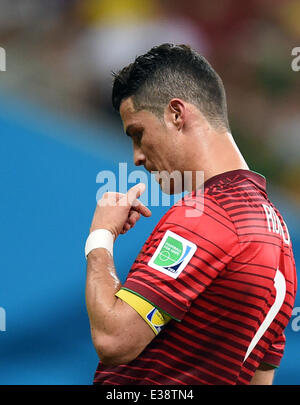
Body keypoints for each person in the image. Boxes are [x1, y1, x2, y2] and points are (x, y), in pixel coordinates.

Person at [85, 43, 297, 385]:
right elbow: (261, 378)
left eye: (138, 134)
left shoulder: (207, 215)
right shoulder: (280, 237)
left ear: (176, 114)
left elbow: (114, 339)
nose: (137, 156)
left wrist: (100, 238)